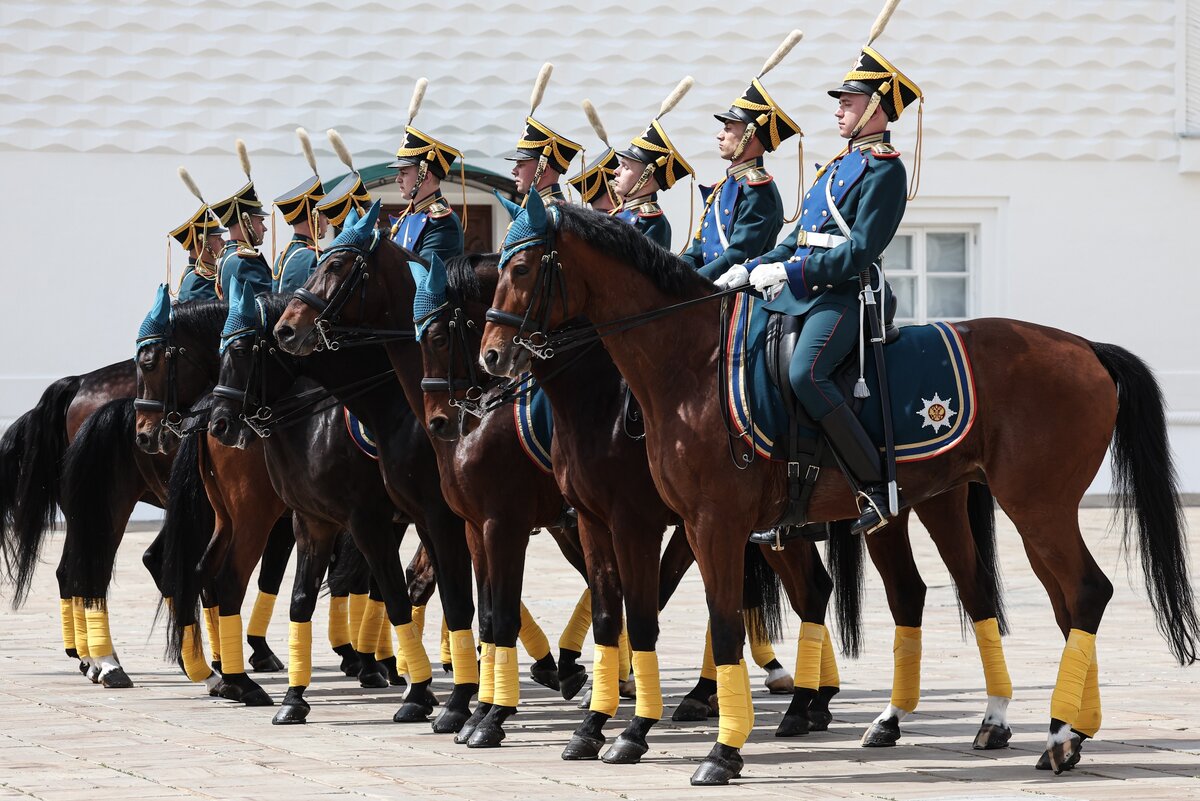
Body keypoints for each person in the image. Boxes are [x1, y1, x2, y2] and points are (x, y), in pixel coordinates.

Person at [735, 44, 922, 538]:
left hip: (845, 294)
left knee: (806, 373)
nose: (839, 109)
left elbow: (860, 250)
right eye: (840, 102)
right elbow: (797, 241)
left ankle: (876, 487)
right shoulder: (835, 167)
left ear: (876, 109)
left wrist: (793, 276)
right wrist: (753, 267)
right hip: (803, 290)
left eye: (849, 102)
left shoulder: (884, 169)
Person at [679, 73, 800, 280]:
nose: (720, 135)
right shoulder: (725, 186)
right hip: (711, 288)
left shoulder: (758, 189)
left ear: (749, 135)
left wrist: (694, 284)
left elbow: (739, 255)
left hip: (738, 297)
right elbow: (699, 251)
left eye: (728, 128)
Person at [389, 79, 465, 265]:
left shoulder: (441, 222)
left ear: (426, 175)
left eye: (405, 173)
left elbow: (422, 279)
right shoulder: (406, 218)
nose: (398, 179)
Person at [505, 63, 582, 204]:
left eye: (521, 164)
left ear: (544, 170)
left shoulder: (551, 214)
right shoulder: (539, 208)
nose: (514, 171)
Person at [209, 139, 272, 300]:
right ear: (246, 221)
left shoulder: (227, 256)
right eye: (260, 221)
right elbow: (267, 309)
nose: (264, 228)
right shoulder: (246, 262)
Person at [272, 128, 326, 295]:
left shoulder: (282, 258)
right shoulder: (313, 258)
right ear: (314, 217)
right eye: (324, 214)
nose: (328, 221)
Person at [170, 203, 226, 302]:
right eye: (218, 238)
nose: (223, 242)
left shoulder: (199, 275)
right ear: (202, 245)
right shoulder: (201, 280)